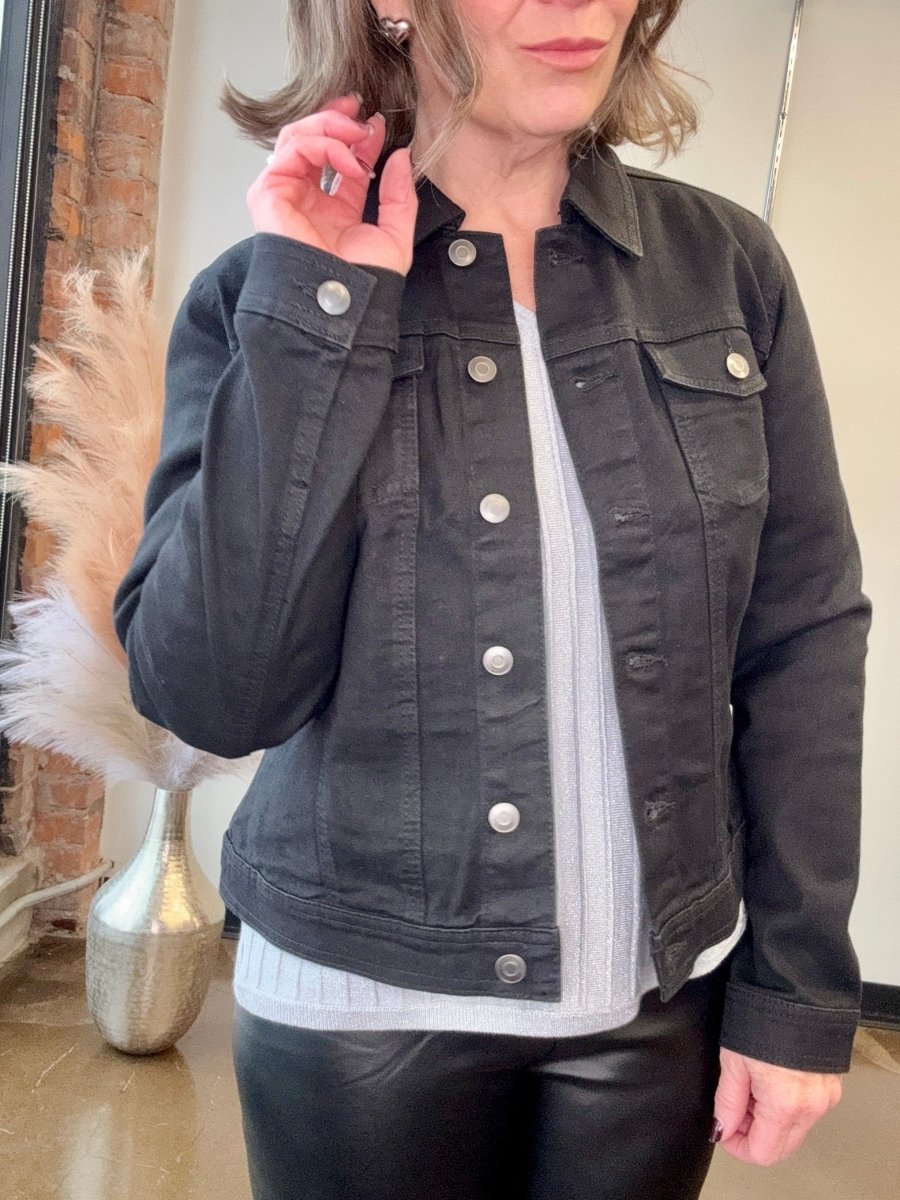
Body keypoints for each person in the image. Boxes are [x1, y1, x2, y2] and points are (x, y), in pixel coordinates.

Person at [112, 2, 872, 1197]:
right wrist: (320, 314)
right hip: (359, 1021)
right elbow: (213, 698)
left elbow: (804, 637)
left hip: (660, 1004)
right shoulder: (267, 290)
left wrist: (798, 986)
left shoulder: (726, 270)